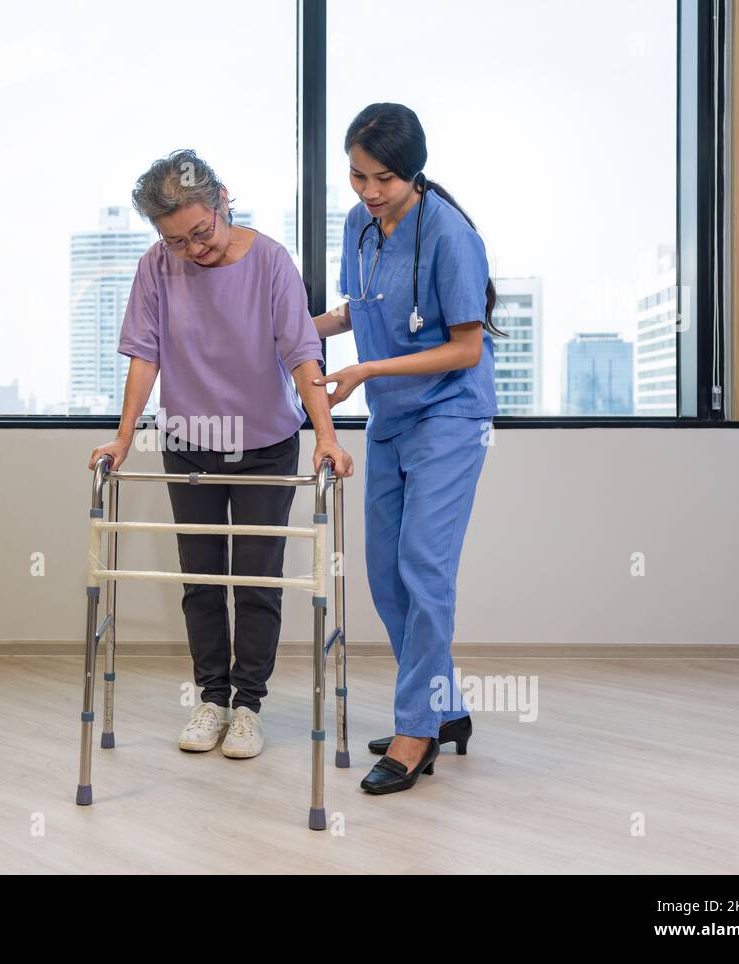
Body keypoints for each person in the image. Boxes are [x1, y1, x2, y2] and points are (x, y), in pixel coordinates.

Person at [90, 149, 353, 760]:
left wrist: (327, 437)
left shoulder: (271, 263)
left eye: (200, 233)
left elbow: (301, 354)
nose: (193, 250)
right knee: (202, 580)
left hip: (266, 444)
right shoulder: (157, 267)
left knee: (256, 581)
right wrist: (125, 437)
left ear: (223, 200)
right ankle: (211, 699)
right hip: (189, 447)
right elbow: (144, 353)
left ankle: (248, 707)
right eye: (177, 241)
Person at [310, 104, 502, 794]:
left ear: (413, 171)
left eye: (382, 178)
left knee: (424, 568)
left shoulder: (450, 236)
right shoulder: (358, 226)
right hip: (391, 417)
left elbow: (465, 346)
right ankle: (442, 709)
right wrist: (302, 333)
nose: (367, 191)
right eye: (357, 175)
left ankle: (417, 729)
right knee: (386, 573)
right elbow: (357, 310)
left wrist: (364, 371)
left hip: (451, 417)